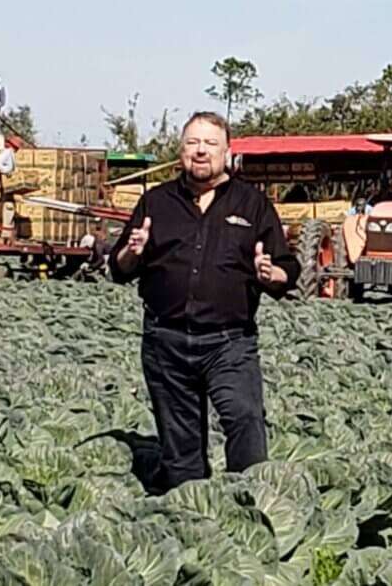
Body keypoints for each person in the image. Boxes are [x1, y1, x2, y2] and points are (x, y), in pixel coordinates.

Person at [109, 111, 299, 493]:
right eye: (192, 143)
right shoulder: (155, 203)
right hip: (166, 342)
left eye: (210, 144)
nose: (200, 152)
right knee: (181, 448)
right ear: (180, 151)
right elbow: (120, 267)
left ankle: (251, 503)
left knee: (244, 417)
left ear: (227, 151)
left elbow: (287, 268)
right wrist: (134, 252)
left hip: (229, 343)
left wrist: (270, 274)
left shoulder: (252, 204)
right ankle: (191, 518)